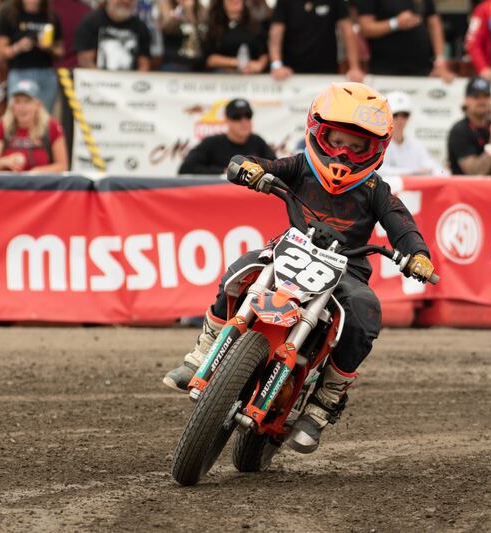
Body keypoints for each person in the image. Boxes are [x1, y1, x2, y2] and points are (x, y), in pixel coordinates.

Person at [163, 82, 437, 453]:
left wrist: (417, 254)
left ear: (377, 149)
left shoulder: (376, 189)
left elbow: (401, 224)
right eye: (336, 141)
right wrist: (248, 169)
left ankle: (325, 401)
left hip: (346, 271)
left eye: (357, 147)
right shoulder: (300, 165)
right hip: (289, 253)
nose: (343, 154)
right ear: (317, 131)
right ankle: (202, 352)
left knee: (365, 310)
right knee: (241, 268)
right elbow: (259, 165)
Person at [354, 0, 455, 80]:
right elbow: (365, 29)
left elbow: (434, 23)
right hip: (385, 73)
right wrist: (395, 23)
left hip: (422, 70)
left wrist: (440, 61)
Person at [268, 0, 364, 81]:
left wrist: (354, 67)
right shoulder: (284, 2)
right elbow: (276, 34)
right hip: (291, 73)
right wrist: (277, 65)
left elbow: (347, 31)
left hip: (326, 72)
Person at [0, 0, 64, 113]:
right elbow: (0, 53)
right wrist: (18, 47)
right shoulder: (10, 15)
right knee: (19, 113)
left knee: (44, 115)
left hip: (46, 72)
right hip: (20, 71)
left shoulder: (51, 16)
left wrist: (48, 48)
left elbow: (60, 52)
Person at [0, 80, 69, 173]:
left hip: (41, 180)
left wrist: (37, 172)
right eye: (17, 102)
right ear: (12, 106)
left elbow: (62, 166)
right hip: (9, 180)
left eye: (27, 102)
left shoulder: (51, 126)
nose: (22, 107)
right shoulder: (3, 125)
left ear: (38, 105)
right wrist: (5, 162)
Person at [179, 98, 276, 174]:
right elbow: (186, 168)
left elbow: (276, 168)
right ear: (226, 119)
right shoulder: (212, 143)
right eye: (236, 117)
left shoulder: (258, 142)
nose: (243, 121)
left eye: (248, 115)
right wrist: (225, 172)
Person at [447, 77, 491, 176]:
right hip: (465, 186)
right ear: (466, 100)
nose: (482, 101)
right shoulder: (460, 130)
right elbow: (474, 173)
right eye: (476, 96)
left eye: (486, 96)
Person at [74, 0, 152, 71]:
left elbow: (144, 64)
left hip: (131, 79)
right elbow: (85, 61)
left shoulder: (141, 27)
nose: (126, 1)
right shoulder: (91, 22)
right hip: (96, 78)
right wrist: (103, 79)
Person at [381, 91, 446, 176]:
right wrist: (412, 173)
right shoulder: (379, 144)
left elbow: (436, 169)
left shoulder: (415, 145)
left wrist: (432, 171)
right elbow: (377, 171)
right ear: (386, 116)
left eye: (405, 115)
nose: (400, 120)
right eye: (395, 115)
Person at [204, 0, 268, 73]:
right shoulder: (214, 27)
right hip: (222, 75)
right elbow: (209, 59)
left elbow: (264, 53)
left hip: (254, 76)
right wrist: (238, 63)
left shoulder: (255, 26)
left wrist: (259, 65)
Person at [157, 0, 207, 72]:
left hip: (198, 62)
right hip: (175, 62)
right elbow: (167, 28)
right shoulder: (167, 6)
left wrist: (190, 12)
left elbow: (204, 36)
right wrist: (182, 10)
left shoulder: (201, 10)